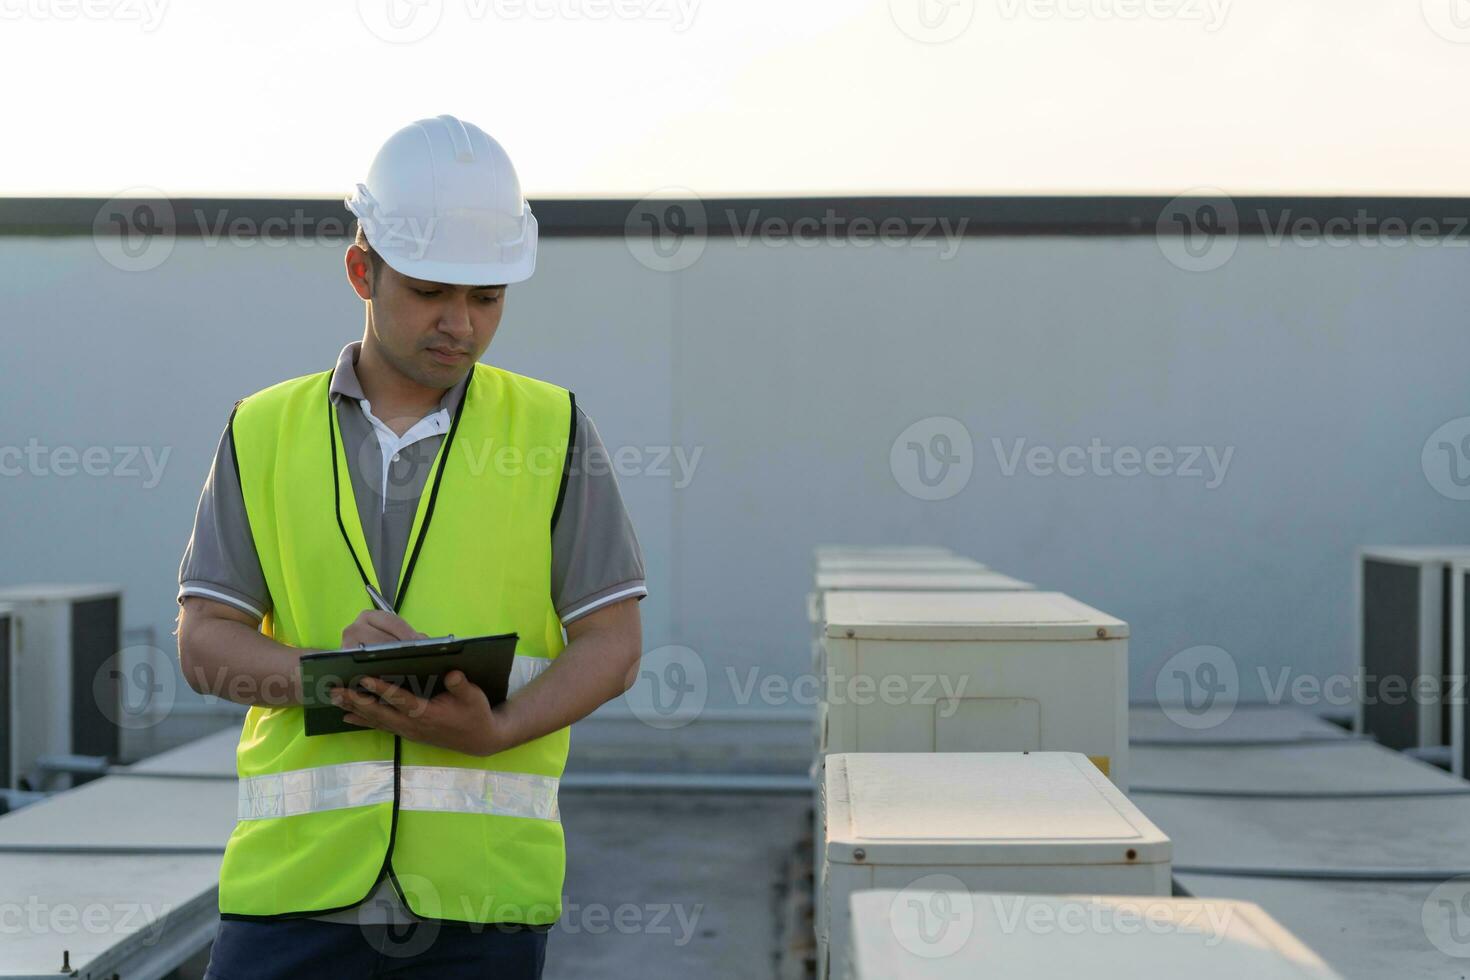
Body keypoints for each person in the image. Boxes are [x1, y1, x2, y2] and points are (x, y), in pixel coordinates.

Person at [175, 114, 647, 979]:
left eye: (487, 298)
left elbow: (613, 647)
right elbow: (204, 640)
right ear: (363, 268)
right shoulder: (263, 429)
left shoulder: (554, 430)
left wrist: (491, 731)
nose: (460, 325)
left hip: (482, 909)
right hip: (291, 900)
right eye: (431, 291)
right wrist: (333, 682)